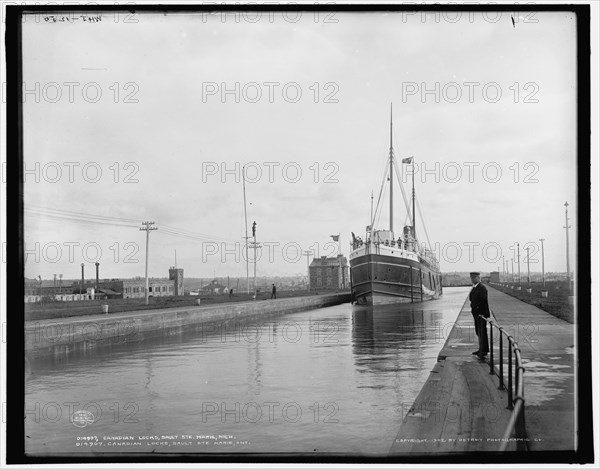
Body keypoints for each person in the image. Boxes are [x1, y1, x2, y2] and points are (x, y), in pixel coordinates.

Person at [469, 271, 490, 360]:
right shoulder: (475, 288)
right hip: (476, 313)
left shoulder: (482, 288)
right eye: (472, 278)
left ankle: (483, 351)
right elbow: (471, 298)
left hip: (481, 313)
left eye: (474, 278)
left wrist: (478, 310)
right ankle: (481, 349)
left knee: (482, 332)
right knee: (479, 331)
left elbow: (483, 300)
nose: (473, 279)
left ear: (478, 278)